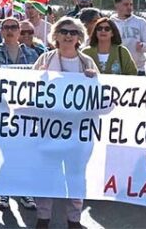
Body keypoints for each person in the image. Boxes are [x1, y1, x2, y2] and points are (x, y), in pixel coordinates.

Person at [32, 17, 97, 229]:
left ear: (79, 37)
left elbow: (101, 97)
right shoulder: (44, 59)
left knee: (76, 176)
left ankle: (74, 219)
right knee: (46, 175)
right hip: (49, 130)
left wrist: (93, 80)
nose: (68, 35)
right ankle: (43, 217)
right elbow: (28, 91)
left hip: (79, 132)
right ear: (56, 35)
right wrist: (39, 78)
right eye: (64, 31)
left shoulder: (87, 63)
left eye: (73, 32)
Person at [0, 17, 37, 212]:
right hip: (1, 111)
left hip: (25, 111)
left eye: (14, 27)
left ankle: (24, 190)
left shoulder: (33, 54)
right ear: (1, 31)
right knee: (6, 152)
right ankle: (4, 192)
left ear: (19, 31)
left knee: (24, 152)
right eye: (6, 27)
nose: (10, 31)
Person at [110, 0, 146, 76]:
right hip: (116, 70)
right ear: (117, 5)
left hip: (138, 69)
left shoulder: (141, 22)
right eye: (126, 4)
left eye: (131, 4)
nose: (129, 7)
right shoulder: (110, 23)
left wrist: (143, 46)